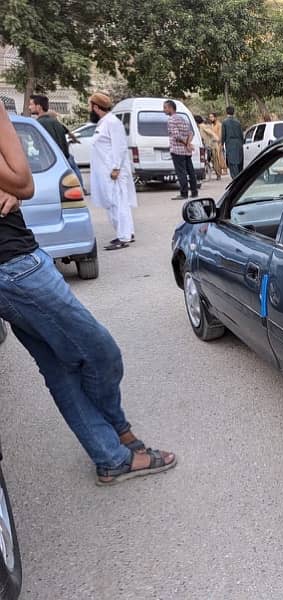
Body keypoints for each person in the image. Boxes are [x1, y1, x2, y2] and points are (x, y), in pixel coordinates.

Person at [0, 103, 176, 485]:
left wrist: (10, 188)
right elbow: (23, 182)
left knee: (59, 369)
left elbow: (20, 185)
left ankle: (112, 450)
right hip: (16, 268)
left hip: (18, 259)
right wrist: (11, 185)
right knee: (101, 352)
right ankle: (117, 434)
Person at [88, 92, 137, 250]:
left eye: (90, 106)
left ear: (95, 107)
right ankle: (127, 233)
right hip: (107, 172)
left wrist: (116, 168)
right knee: (115, 203)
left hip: (113, 172)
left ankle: (123, 237)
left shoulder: (112, 122)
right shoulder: (104, 122)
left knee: (117, 204)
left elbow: (120, 147)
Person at [27, 95, 86, 191]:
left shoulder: (38, 124)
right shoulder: (56, 122)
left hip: (48, 163)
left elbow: (37, 146)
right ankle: (81, 188)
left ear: (38, 107)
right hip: (64, 159)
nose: (29, 107)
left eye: (31, 104)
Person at [164, 100, 197, 201]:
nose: (164, 110)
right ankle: (194, 192)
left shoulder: (171, 120)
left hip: (177, 150)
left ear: (170, 108)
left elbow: (176, 135)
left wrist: (185, 144)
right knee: (190, 171)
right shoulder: (182, 119)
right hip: (186, 151)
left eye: (165, 108)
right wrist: (188, 144)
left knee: (181, 172)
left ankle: (184, 193)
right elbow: (191, 133)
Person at [196, 115, 222, 180]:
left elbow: (211, 133)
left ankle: (218, 175)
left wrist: (217, 138)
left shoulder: (203, 127)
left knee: (215, 161)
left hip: (212, 145)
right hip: (209, 145)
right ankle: (216, 174)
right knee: (212, 160)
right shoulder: (200, 127)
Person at [221, 106, 244, 178]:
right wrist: (242, 142)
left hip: (230, 143)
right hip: (239, 143)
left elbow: (223, 134)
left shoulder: (225, 122)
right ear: (233, 112)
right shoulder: (238, 122)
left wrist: (222, 144)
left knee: (232, 162)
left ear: (226, 112)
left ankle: (235, 177)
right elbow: (241, 134)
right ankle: (240, 176)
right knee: (239, 160)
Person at [207, 112, 227, 176]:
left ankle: (224, 170)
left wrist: (219, 142)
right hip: (213, 143)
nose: (211, 118)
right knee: (215, 158)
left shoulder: (219, 125)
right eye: (210, 117)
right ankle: (218, 171)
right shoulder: (212, 125)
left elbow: (220, 135)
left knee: (220, 157)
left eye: (212, 117)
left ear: (215, 117)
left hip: (218, 142)